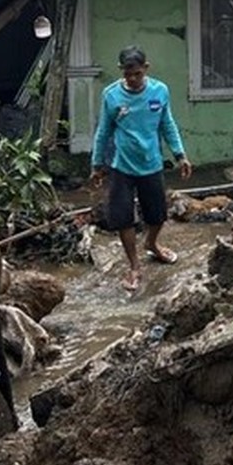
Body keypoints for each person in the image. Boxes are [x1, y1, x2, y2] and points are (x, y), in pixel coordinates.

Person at [91, 46, 192, 292]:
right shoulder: (111, 95)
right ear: (121, 72)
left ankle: (152, 243)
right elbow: (103, 131)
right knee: (123, 217)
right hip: (121, 166)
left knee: (158, 214)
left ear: (146, 69)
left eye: (137, 73)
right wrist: (97, 164)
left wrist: (180, 155)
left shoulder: (160, 91)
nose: (133, 79)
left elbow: (168, 124)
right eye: (128, 74)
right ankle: (135, 266)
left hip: (152, 163)